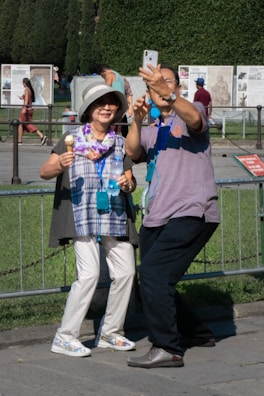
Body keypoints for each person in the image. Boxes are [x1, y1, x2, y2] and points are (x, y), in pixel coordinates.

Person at [125, 64, 220, 368]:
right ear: (150, 94)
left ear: (177, 87)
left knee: (153, 275)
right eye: (155, 85)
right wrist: (136, 121)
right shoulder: (155, 129)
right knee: (154, 280)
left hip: (192, 211)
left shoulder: (194, 112)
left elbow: (194, 119)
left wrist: (167, 92)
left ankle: (167, 347)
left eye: (167, 82)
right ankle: (197, 332)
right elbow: (133, 152)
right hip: (157, 216)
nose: (161, 86)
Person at [40, 80, 137, 357]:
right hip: (80, 216)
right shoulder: (72, 139)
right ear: (89, 110)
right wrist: (59, 163)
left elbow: (131, 182)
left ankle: (110, 332)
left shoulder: (119, 143)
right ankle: (65, 336)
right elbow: (45, 171)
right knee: (89, 275)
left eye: (112, 104)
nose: (107, 108)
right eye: (101, 103)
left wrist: (127, 184)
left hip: (114, 216)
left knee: (127, 271)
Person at [98, 64, 129, 137]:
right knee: (123, 128)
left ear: (104, 72)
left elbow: (107, 89)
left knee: (112, 129)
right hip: (121, 104)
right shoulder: (118, 76)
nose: (103, 78)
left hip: (115, 104)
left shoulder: (109, 75)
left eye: (102, 76)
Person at [18, 78, 47, 145]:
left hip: (26, 109)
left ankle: (41, 136)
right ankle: (19, 140)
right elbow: (28, 99)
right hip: (29, 109)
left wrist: (24, 108)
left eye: (23, 83)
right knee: (21, 123)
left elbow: (26, 100)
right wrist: (22, 97)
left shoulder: (26, 89)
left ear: (24, 83)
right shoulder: (30, 90)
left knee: (26, 124)